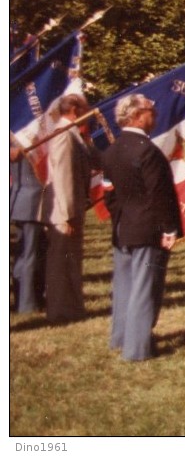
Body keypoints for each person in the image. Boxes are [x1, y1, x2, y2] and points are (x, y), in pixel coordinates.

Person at [103, 93, 182, 361]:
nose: (155, 115)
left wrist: (122, 218)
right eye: (151, 110)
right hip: (149, 229)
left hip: (123, 227)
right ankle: (136, 350)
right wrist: (169, 228)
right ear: (137, 116)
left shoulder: (111, 151)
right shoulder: (148, 152)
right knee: (144, 288)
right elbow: (160, 194)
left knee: (124, 287)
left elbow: (109, 195)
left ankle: (121, 338)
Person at [42, 93, 93, 324]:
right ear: (74, 108)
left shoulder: (73, 133)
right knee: (61, 261)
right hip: (63, 212)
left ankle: (71, 308)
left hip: (69, 210)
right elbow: (63, 177)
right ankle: (60, 311)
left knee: (70, 260)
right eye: (85, 108)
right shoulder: (64, 134)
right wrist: (68, 215)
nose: (89, 112)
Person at [10, 140, 46, 313]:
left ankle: (22, 298)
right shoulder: (23, 138)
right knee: (29, 254)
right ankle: (27, 303)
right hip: (32, 201)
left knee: (23, 253)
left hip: (20, 201)